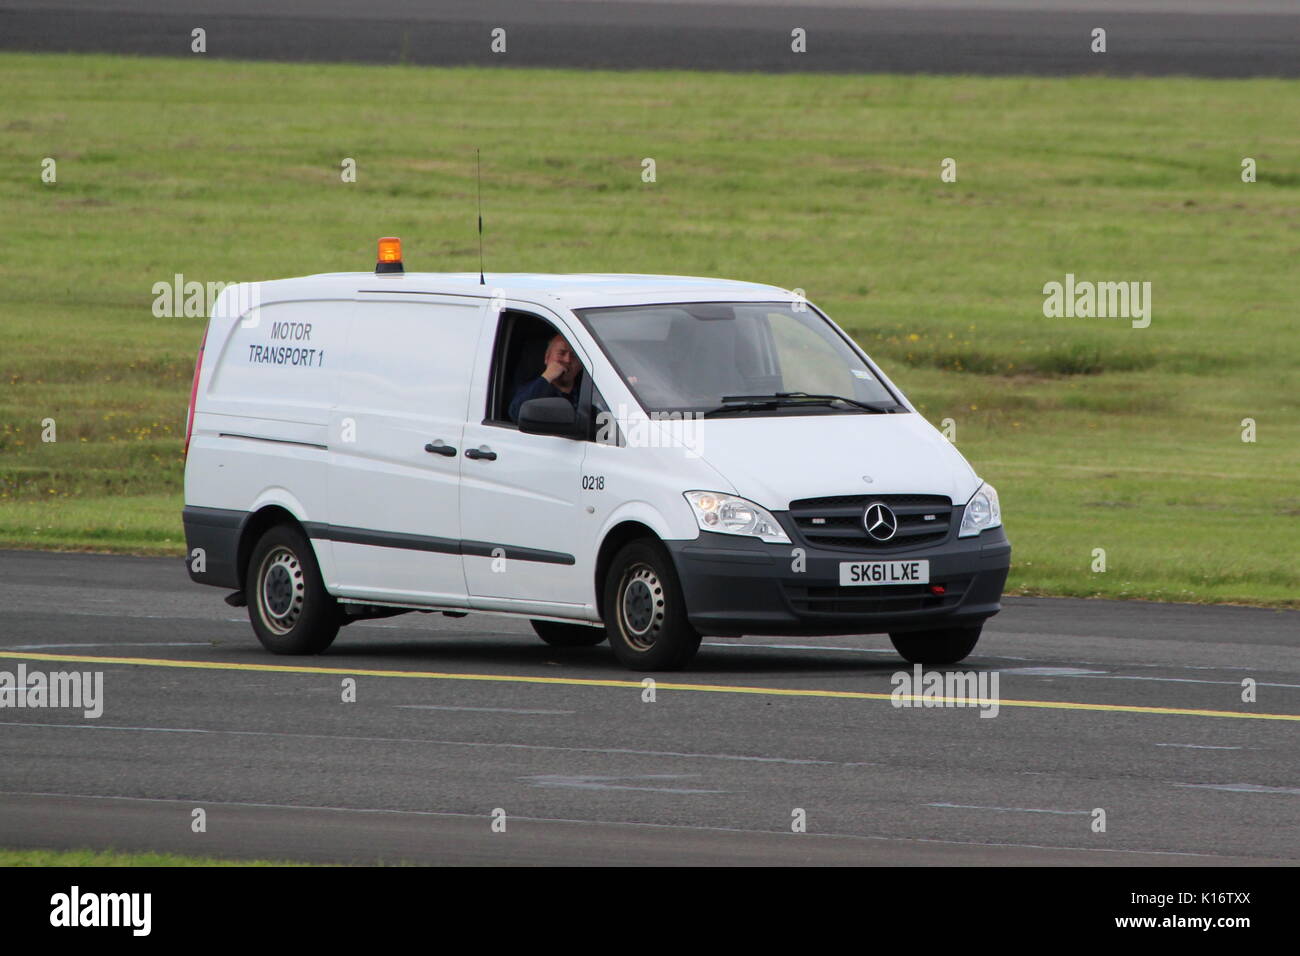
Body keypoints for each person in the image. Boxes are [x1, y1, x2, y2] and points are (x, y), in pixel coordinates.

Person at [508, 332, 582, 422]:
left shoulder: (588, 391)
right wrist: (547, 377)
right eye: (561, 353)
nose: (567, 360)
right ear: (547, 357)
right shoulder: (534, 389)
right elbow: (516, 413)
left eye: (574, 356)